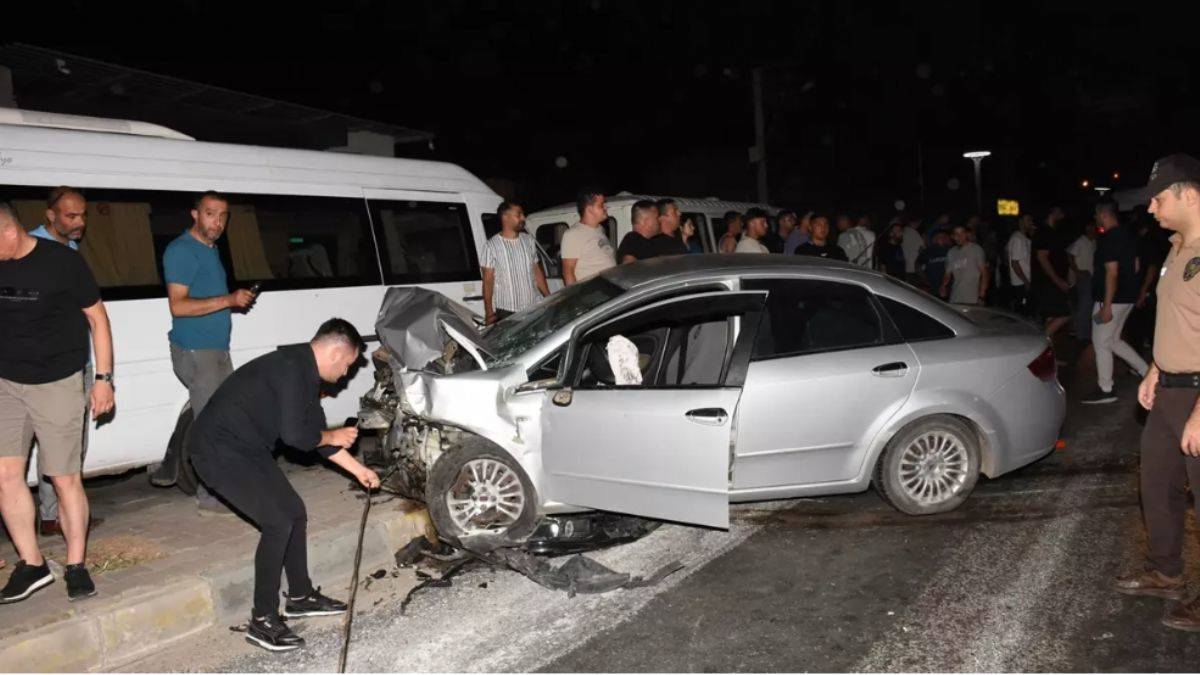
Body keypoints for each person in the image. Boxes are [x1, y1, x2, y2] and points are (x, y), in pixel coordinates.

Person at [188, 319, 380, 651]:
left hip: (247, 449)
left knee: (294, 512)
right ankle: (262, 620)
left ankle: (300, 596)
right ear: (336, 353)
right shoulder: (292, 370)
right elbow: (297, 437)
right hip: (216, 451)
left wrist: (359, 470)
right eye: (348, 364)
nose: (346, 373)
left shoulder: (304, 371)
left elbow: (317, 437)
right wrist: (332, 435)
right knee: (278, 520)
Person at [0, 202, 114, 603]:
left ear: (8, 231)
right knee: (5, 475)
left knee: (64, 479)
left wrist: (103, 380)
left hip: (58, 382)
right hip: (6, 384)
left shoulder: (62, 263)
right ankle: (32, 564)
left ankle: (76, 565)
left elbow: (98, 319)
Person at [1113, 154, 1200, 632]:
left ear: (1190, 195)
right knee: (1157, 484)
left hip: (1198, 395)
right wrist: (1153, 368)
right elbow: (1178, 321)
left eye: (1158, 199)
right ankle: (1167, 573)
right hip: (1168, 390)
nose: (1150, 208)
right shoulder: (1177, 247)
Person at [150, 191, 257, 514]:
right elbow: (178, 306)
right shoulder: (181, 251)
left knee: (225, 419)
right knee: (211, 425)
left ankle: (223, 487)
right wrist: (229, 300)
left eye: (223, 216)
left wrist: (233, 302)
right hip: (197, 351)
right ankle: (209, 495)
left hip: (215, 349)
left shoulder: (211, 249)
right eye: (210, 214)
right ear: (195, 214)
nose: (218, 222)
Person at [29, 187, 101, 537]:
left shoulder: (70, 249)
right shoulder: (30, 248)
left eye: (83, 215)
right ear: (50, 215)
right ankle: (54, 515)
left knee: (70, 444)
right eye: (71, 216)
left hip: (76, 360)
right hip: (46, 367)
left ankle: (59, 514)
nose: (80, 222)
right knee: (55, 443)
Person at [1083, 202, 1149, 405]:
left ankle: (1106, 389)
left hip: (1113, 298)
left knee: (1101, 343)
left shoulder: (1109, 238)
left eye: (1096, 215)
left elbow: (1111, 273)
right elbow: (1136, 266)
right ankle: (1146, 370)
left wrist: (1107, 306)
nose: (1095, 219)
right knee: (1112, 340)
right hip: (1127, 297)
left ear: (1103, 215)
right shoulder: (1130, 236)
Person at [481, 201, 550, 325]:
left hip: (533, 307)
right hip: (507, 312)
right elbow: (488, 281)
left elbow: (536, 271)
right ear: (505, 217)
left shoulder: (528, 240)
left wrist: (548, 297)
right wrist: (489, 312)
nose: (523, 218)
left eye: (523, 214)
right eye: (518, 214)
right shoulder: (491, 246)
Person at [1031, 206, 1074, 340]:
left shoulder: (1052, 232)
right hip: (1048, 283)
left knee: (1051, 318)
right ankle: (1037, 342)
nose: (1062, 214)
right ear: (1052, 212)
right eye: (1059, 211)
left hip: (1050, 283)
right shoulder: (1044, 232)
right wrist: (1058, 281)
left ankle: (1048, 350)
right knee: (1065, 314)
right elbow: (1042, 257)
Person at [561, 189, 616, 284]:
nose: (606, 207)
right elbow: (568, 273)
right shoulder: (573, 234)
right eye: (601, 205)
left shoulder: (600, 229)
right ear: (589, 208)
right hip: (592, 292)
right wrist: (576, 294)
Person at [940, 224, 988, 305]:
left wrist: (982, 295)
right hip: (955, 297)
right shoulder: (951, 252)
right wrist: (943, 285)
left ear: (966, 234)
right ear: (952, 236)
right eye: (956, 234)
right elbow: (947, 274)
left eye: (962, 233)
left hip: (973, 298)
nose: (959, 236)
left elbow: (985, 273)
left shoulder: (976, 249)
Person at [1068, 220, 1098, 344]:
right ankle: (1081, 336)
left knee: (1089, 306)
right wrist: (1077, 271)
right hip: (1084, 278)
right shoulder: (1081, 241)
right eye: (1091, 227)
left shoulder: (1094, 241)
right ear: (1087, 228)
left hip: (1092, 277)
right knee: (1084, 307)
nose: (1093, 229)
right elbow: (1070, 255)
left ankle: (1086, 334)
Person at [1005, 214, 1035, 315]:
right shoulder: (1017, 238)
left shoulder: (1024, 238)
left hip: (1025, 280)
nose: (1030, 222)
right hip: (1021, 282)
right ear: (1020, 221)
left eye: (1031, 220)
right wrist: (1026, 281)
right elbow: (1014, 263)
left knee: (1026, 309)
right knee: (1022, 312)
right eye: (1028, 220)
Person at [918, 229, 952, 297]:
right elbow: (918, 266)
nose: (942, 239)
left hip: (948, 288)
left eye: (944, 237)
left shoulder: (952, 250)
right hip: (931, 288)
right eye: (939, 237)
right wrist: (925, 281)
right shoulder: (927, 251)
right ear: (933, 239)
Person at [901, 216, 925, 285]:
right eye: (918, 223)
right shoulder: (914, 233)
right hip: (914, 267)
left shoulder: (902, 231)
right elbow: (922, 249)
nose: (918, 225)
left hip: (905, 266)